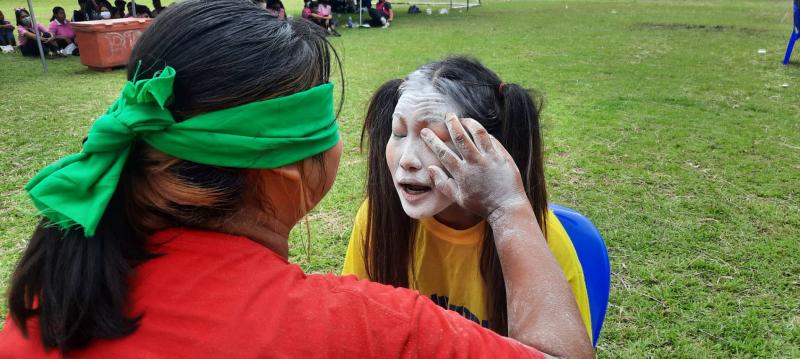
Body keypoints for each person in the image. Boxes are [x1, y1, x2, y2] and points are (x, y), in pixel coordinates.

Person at [0, 0, 593, 357]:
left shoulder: (52, 292)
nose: (409, 157)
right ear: (290, 173)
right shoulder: (360, 330)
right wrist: (509, 202)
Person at [342, 56, 594, 341]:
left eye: (433, 138)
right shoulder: (378, 217)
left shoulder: (539, 239)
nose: (408, 160)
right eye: (398, 133)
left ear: (491, 151)